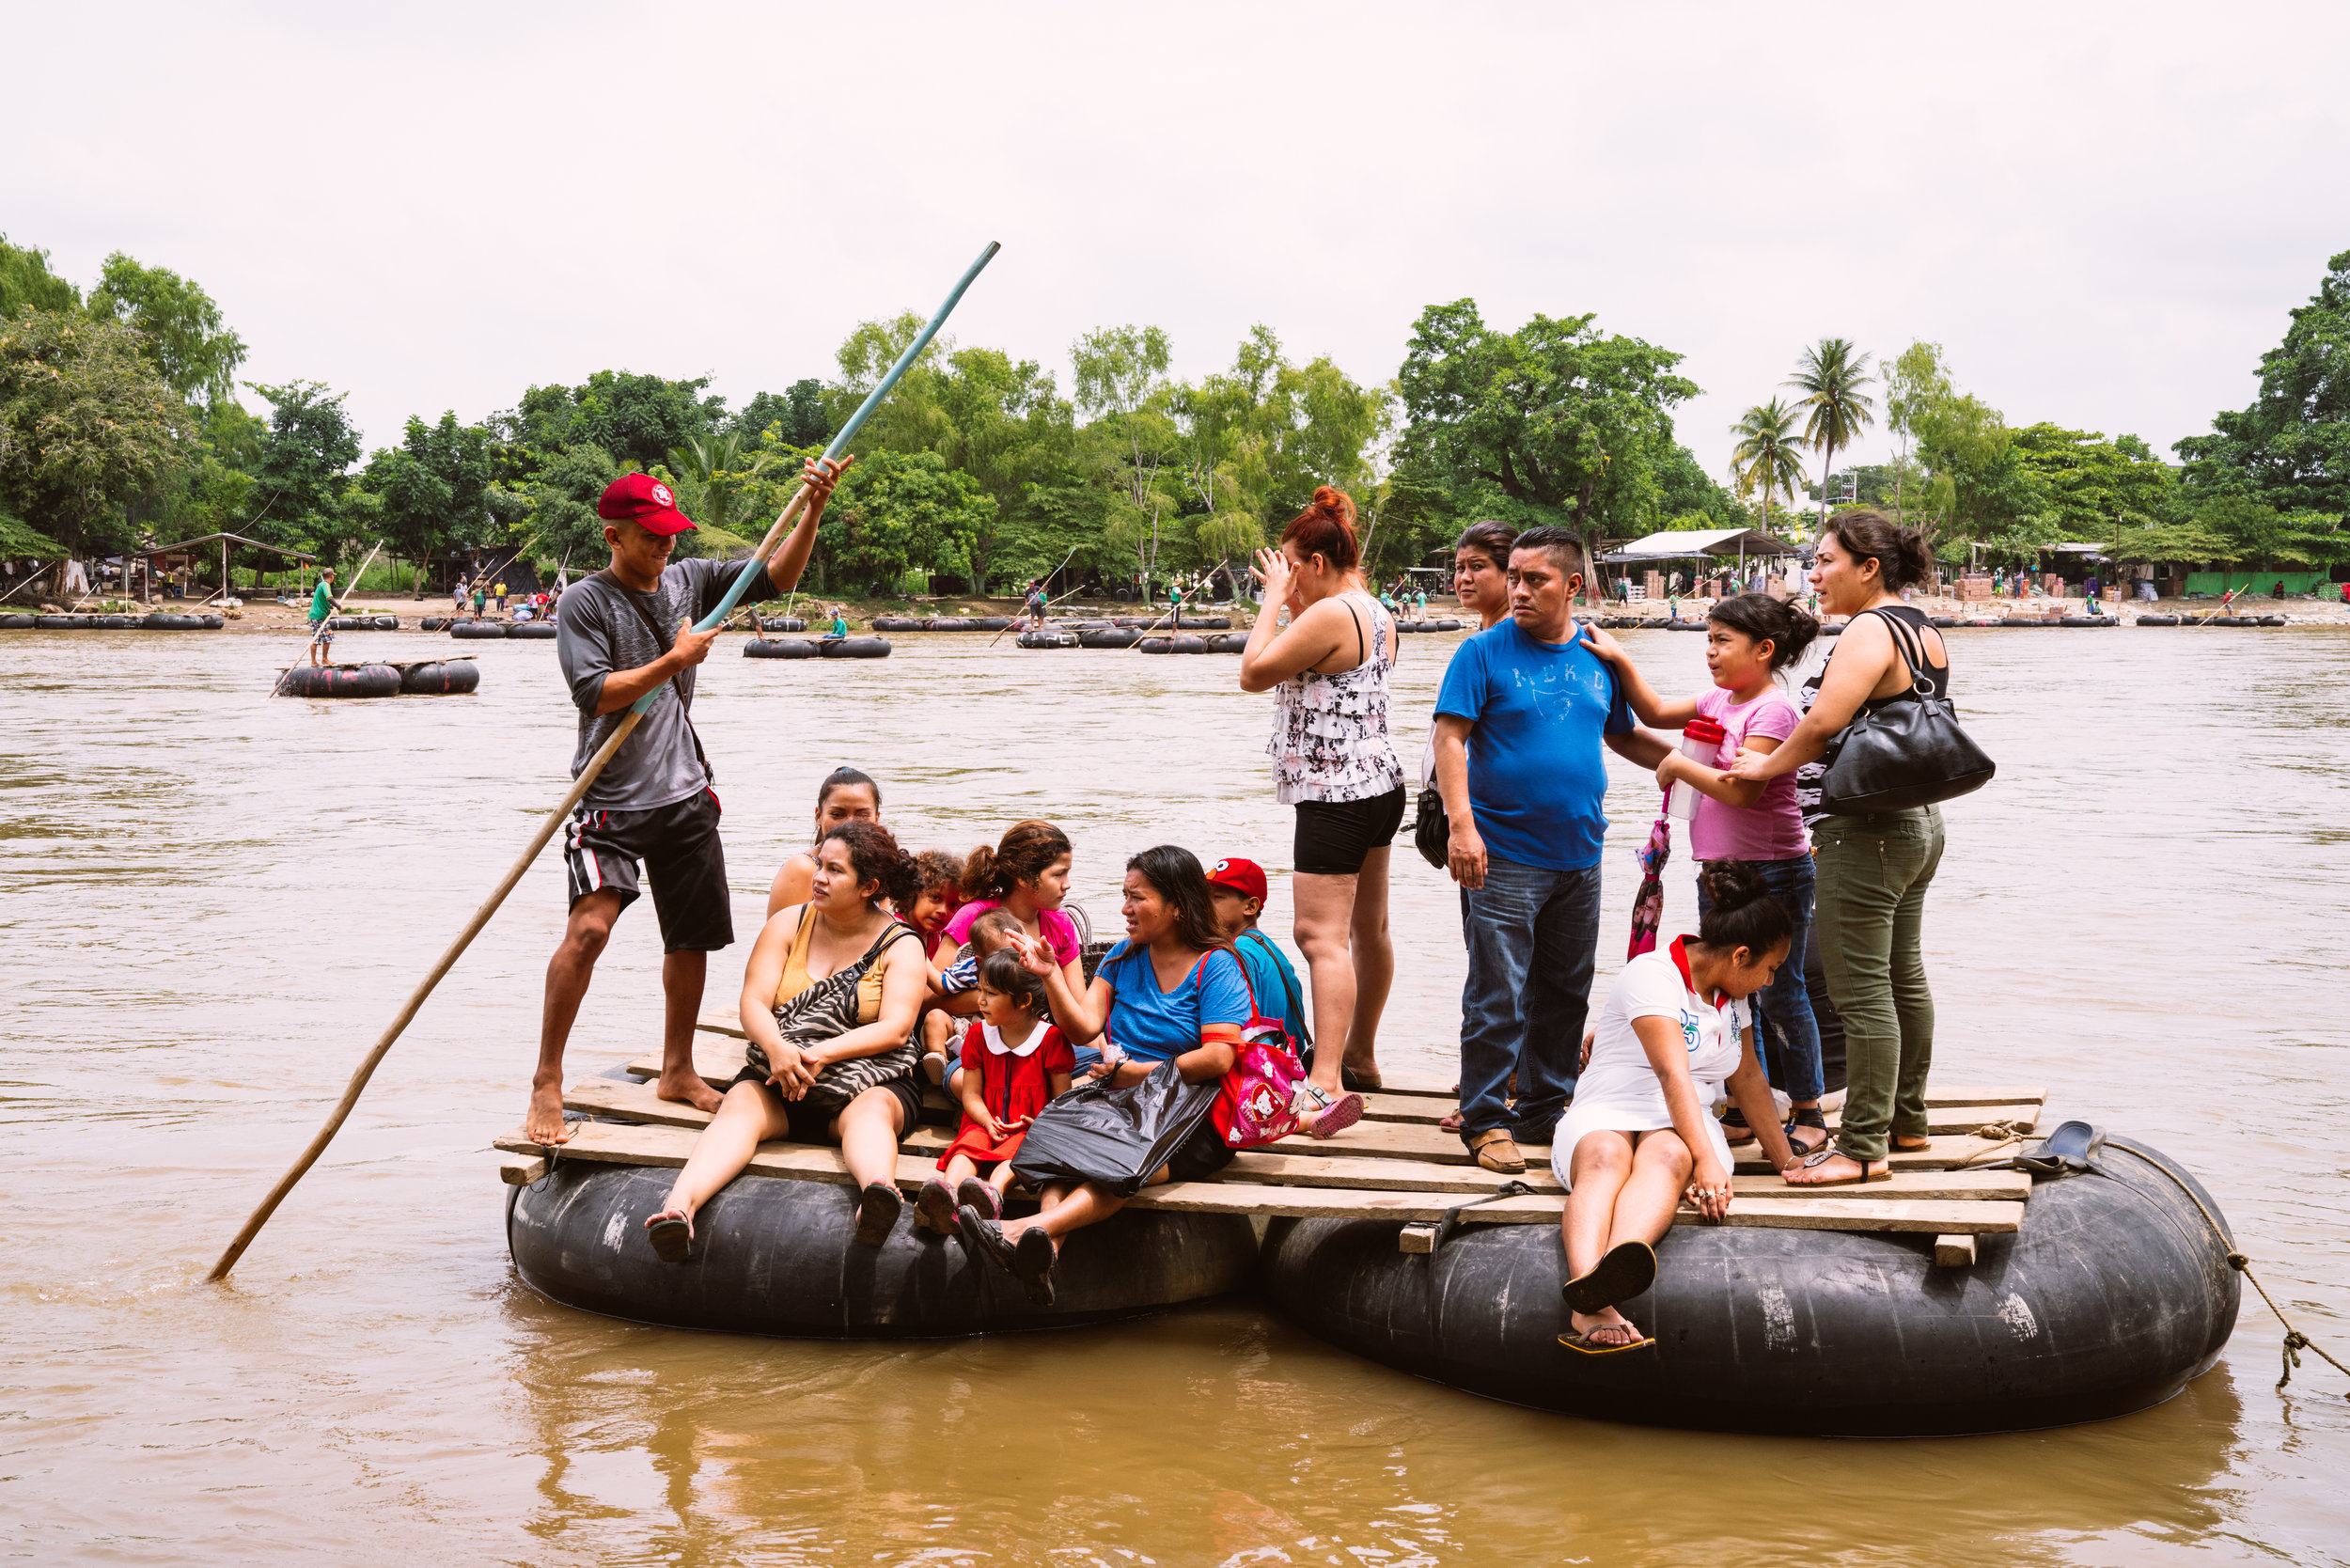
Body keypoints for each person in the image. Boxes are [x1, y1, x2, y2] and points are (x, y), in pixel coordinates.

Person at [527, 457, 850, 1145]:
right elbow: (596, 693)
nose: (664, 546)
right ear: (614, 537)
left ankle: (678, 1068)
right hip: (609, 799)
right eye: (649, 536)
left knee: (692, 935)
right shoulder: (584, 601)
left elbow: (777, 577)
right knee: (589, 931)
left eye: (670, 533)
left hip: (684, 794)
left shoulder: (688, 578)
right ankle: (546, 1078)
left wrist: (812, 509)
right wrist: (676, 660)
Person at [1431, 525, 1669, 1173]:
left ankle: (1545, 1107)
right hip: (1502, 853)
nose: (1518, 591)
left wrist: (1700, 771)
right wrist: (1461, 826)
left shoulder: (1597, 656)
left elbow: (1626, 736)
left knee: (1566, 990)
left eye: (1535, 580)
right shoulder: (1481, 654)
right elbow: (1449, 741)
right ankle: (1485, 1120)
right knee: (1498, 993)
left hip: (1580, 855)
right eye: (1513, 577)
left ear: (1572, 586)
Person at [1726, 511, 1950, 1186]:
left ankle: (1861, 1147)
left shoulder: (1869, 629)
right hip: (1918, 822)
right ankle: (1907, 1119)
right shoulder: (1921, 628)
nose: (1813, 576)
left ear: (1868, 567)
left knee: (1862, 993)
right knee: (1904, 974)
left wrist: (1762, 769)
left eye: (1825, 562)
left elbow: (1823, 723)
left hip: (1866, 829)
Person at [1584, 592, 1830, 1154]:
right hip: (1718, 870)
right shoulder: (1718, 699)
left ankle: (1809, 1108)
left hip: (1773, 869)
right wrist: (1620, 660)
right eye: (1709, 640)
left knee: (1781, 988)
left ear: (1764, 650)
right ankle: (1745, 1105)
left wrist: (1679, 766)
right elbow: (1651, 712)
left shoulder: (1772, 711)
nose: (1711, 653)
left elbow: (1745, 792)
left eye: (1723, 641)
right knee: (1729, 986)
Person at [960, 846, 1247, 1305]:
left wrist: (1135, 1072)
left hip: (1192, 1111)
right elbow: (1083, 1028)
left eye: (1138, 898)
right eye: (1124, 895)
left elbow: (1217, 1058)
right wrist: (1050, 974)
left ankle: (1024, 1228)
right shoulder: (1122, 956)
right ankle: (1047, 1252)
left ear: (1177, 904)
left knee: (1111, 1165)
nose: (1125, 908)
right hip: (1119, 1093)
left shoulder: (1217, 965)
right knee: (1057, 1143)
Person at [640, 822, 929, 1260]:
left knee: (870, 1113)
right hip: (781, 1073)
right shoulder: (788, 924)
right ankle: (679, 1210)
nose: (818, 877)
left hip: (869, 1077)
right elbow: (753, 1001)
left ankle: (877, 1194)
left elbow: (896, 1029)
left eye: (835, 870)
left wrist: (818, 1054)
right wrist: (777, 1050)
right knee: (739, 1106)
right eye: (819, 864)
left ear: (868, 886)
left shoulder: (901, 944)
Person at [1552, 862, 1804, 1352]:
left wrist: (1786, 1160)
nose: (1770, 981)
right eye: (1769, 969)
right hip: (1609, 1103)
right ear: (1741, 955)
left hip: (1681, 1119)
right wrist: (1708, 1161)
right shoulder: (1653, 974)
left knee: (1666, 1156)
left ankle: (1610, 1277)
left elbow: (1748, 1078)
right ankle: (1589, 1293)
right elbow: (1672, 1074)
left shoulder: (1735, 997)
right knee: (1605, 1155)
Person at [1239, 486, 1402, 1137]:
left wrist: (1271, 603)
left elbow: (1253, 672)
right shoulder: (1379, 611)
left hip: (1336, 795)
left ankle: (1326, 1081)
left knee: (1319, 938)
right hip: (1378, 785)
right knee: (1370, 928)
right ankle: (1360, 1056)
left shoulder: (1331, 612)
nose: (1285, 581)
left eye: (1288, 567)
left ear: (1314, 563)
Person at [1429, 520, 1517, 1134]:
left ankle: (1499, 1086)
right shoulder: (1480, 644)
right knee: (1491, 962)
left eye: (1475, 567)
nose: (1462, 578)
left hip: (1510, 832)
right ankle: (1496, 1075)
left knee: (1505, 969)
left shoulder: (1519, 645)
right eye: (1458, 567)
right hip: (1480, 830)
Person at [914, 949, 1075, 1235]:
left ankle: (992, 1193)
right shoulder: (978, 1036)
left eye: (991, 993)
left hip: (1031, 1129)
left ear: (1024, 1001)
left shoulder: (1051, 1039)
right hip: (985, 1120)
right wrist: (986, 1120)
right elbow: (971, 1095)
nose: (980, 1001)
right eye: (980, 990)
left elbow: (1060, 1102)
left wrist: (1037, 1124)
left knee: (1020, 1151)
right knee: (967, 1147)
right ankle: (945, 1196)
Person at [932, 821, 1093, 1062]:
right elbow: (926, 999)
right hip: (982, 1045)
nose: (1066, 884)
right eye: (1058, 874)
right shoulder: (974, 917)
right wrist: (1008, 999)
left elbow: (1078, 1008)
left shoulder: (1061, 923)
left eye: (1067, 873)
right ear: (1023, 877)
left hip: (1043, 1045)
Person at [1206, 856, 1311, 1060]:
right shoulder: (1266, 946)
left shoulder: (1234, 952)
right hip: (1289, 1066)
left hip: (1264, 1070)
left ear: (1250, 907)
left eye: (1217, 898)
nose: (1204, 906)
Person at [921, 906, 1025, 1086]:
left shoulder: (1023, 968)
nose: (1010, 962)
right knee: (935, 1017)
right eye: (1001, 957)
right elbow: (941, 985)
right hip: (961, 1029)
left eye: (1014, 952)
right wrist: (919, 955)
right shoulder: (969, 969)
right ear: (981, 961)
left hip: (995, 1032)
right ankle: (938, 1059)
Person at [767, 767, 883, 916]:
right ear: (819, 816)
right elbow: (781, 936)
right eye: (837, 814)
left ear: (876, 818)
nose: (850, 824)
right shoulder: (802, 869)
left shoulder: (876, 867)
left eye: (862, 815)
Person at [306, 567, 336, 667]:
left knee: (315, 638)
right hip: (320, 617)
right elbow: (329, 597)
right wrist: (339, 606)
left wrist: (331, 606)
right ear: (331, 577)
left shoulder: (320, 585)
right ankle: (324, 659)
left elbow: (323, 600)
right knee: (328, 636)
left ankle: (313, 662)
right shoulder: (326, 585)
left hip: (314, 616)